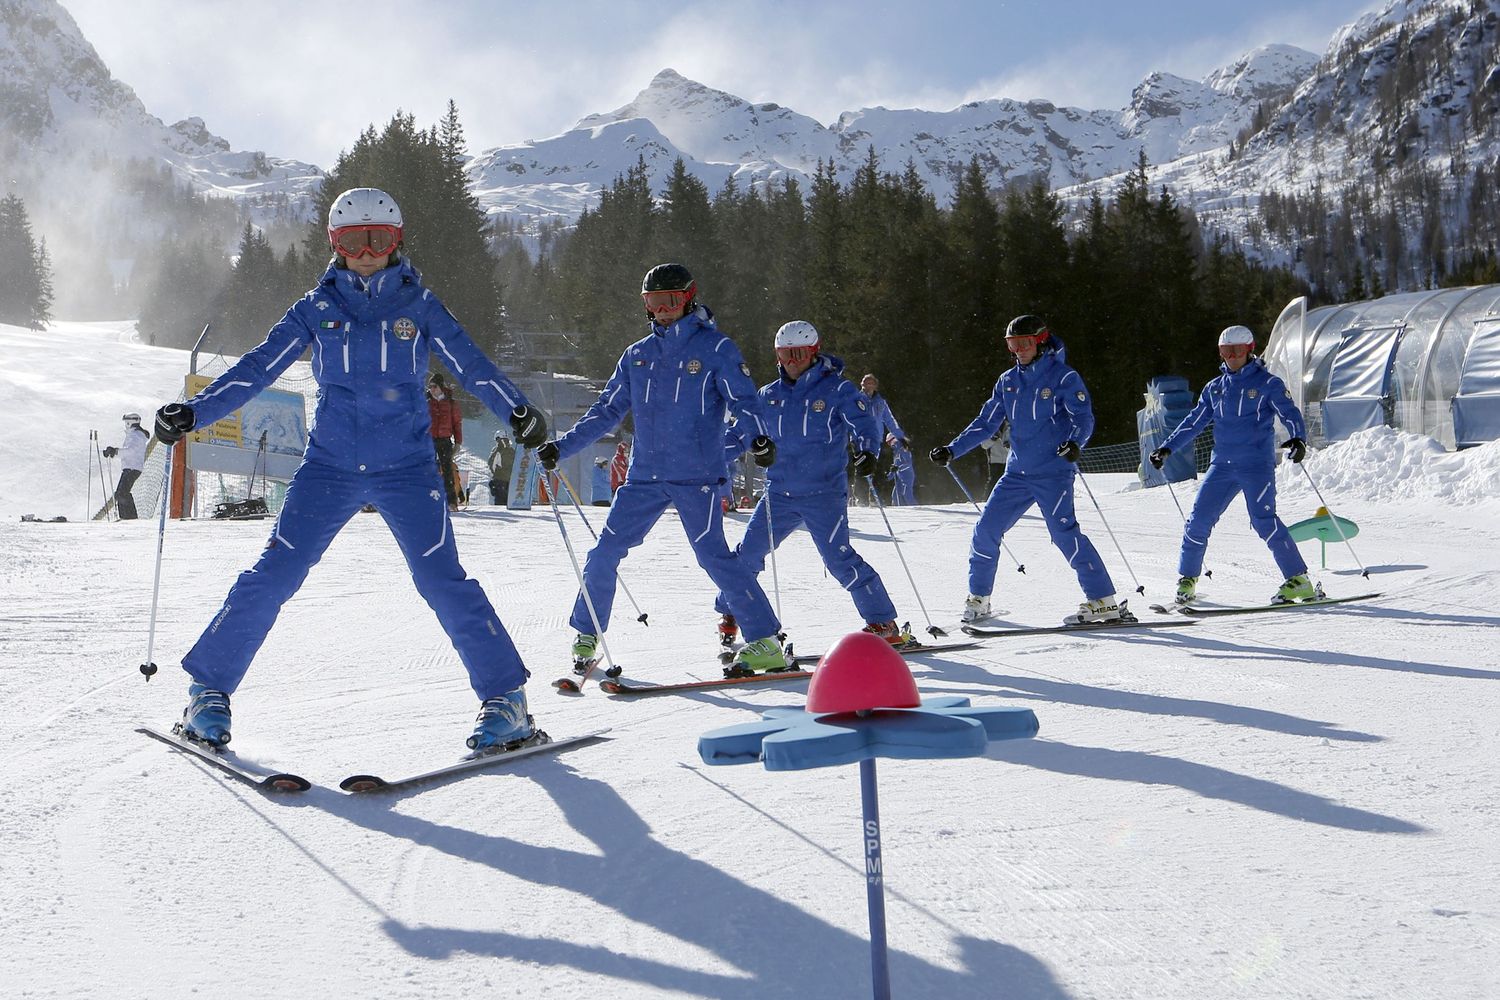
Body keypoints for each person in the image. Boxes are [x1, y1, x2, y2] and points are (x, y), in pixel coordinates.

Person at [150, 187, 549, 752]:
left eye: (377, 239)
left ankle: (508, 700)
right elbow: (259, 367)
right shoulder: (317, 308)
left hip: (407, 468)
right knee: (275, 574)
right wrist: (195, 412)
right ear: (335, 245)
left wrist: (516, 412)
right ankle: (208, 693)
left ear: (396, 241)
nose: (366, 251)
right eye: (352, 240)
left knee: (442, 580)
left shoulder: (420, 306)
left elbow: (472, 364)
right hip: (329, 467)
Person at [536, 262, 788, 674]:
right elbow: (606, 412)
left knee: (713, 557)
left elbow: (745, 404)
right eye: (653, 302)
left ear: (688, 299)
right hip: (645, 477)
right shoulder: (637, 356)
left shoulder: (715, 349)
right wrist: (561, 448)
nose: (662, 310)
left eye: (670, 301)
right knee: (604, 552)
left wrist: (756, 437)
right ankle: (587, 630)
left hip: (698, 476)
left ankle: (765, 640)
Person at [716, 321, 912, 648]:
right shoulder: (767, 396)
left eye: (799, 353)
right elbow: (740, 434)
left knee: (839, 559)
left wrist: (867, 451)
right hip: (779, 494)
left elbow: (865, 424)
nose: (791, 361)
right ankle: (734, 610)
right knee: (747, 554)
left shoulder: (837, 390)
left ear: (813, 351)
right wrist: (707, 459)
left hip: (824, 494)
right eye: (784, 354)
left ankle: (882, 622)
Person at [930, 314, 1122, 624]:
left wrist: (1075, 443)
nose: (1018, 350)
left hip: (1053, 472)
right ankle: (979, 598)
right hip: (1017, 474)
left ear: (1040, 342)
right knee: (985, 531)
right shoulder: (1008, 382)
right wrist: (953, 449)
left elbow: (1083, 418)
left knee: (1063, 534)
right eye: (1012, 344)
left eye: (1025, 343)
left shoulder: (1063, 377)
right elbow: (985, 423)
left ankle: (1103, 600)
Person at [1150, 325, 1315, 604]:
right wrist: (1167, 448)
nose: (1232, 357)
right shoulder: (1215, 388)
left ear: (1250, 350)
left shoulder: (1267, 383)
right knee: (1198, 521)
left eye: (1237, 351)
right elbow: (1194, 422)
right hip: (1222, 467)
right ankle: (1187, 578)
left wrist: (1298, 439)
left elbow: (1289, 413)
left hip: (1256, 465)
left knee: (1263, 521)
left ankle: (1298, 579)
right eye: (1226, 352)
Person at [855, 373, 906, 505]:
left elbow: (889, 420)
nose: (869, 385)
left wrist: (900, 436)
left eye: (871, 382)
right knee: (863, 462)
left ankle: (876, 498)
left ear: (875, 385)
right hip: (861, 436)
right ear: (862, 384)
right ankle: (861, 498)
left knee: (875, 466)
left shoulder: (880, 402)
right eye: (866, 382)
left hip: (876, 437)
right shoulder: (856, 399)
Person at [103, 412, 150, 519]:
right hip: (131, 467)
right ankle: (127, 517)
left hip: (132, 467)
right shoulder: (135, 435)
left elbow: (131, 451)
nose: (125, 424)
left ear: (130, 422)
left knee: (122, 493)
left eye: (126, 422)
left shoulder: (136, 435)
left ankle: (129, 517)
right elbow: (129, 451)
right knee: (121, 493)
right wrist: (113, 452)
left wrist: (115, 451)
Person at [427, 373, 464, 510]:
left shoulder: (450, 402)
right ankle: (430, 500)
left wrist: (458, 442)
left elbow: (457, 423)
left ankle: (451, 502)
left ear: (441, 387)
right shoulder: (426, 402)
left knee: (447, 470)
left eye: (434, 386)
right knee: (429, 470)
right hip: (429, 440)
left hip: (444, 440)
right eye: (430, 387)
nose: (432, 389)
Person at [887, 436, 916, 505]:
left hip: (907, 476)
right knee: (895, 496)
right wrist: (888, 477)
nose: (889, 445)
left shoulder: (903, 449)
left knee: (907, 494)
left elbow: (908, 463)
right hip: (900, 478)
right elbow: (895, 466)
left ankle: (916, 509)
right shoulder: (896, 452)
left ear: (893, 440)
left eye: (889, 442)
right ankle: (900, 512)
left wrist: (898, 468)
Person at [487, 431, 512, 506]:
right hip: (511, 482)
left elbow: (492, 465)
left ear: (498, 438)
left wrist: (496, 475)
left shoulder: (497, 451)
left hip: (499, 482)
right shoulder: (512, 450)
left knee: (500, 506)